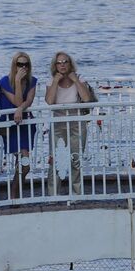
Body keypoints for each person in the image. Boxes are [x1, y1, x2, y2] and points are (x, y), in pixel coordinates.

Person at [44, 51, 96, 194]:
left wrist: (76, 81)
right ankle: (53, 194)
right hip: (57, 123)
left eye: (65, 62)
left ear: (70, 63)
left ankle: (77, 193)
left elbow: (86, 99)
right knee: (55, 160)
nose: (62, 65)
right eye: (59, 63)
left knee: (76, 159)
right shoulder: (51, 80)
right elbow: (49, 101)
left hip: (77, 122)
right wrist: (55, 81)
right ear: (55, 65)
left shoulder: (79, 78)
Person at [0, 52, 38, 197]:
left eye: (26, 64)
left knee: (23, 162)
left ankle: (16, 192)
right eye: (20, 64)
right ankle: (14, 193)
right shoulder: (4, 82)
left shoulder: (32, 81)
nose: (23, 67)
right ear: (14, 65)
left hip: (26, 123)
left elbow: (26, 102)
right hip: (11, 125)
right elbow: (17, 101)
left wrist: (21, 109)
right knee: (23, 162)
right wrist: (17, 81)